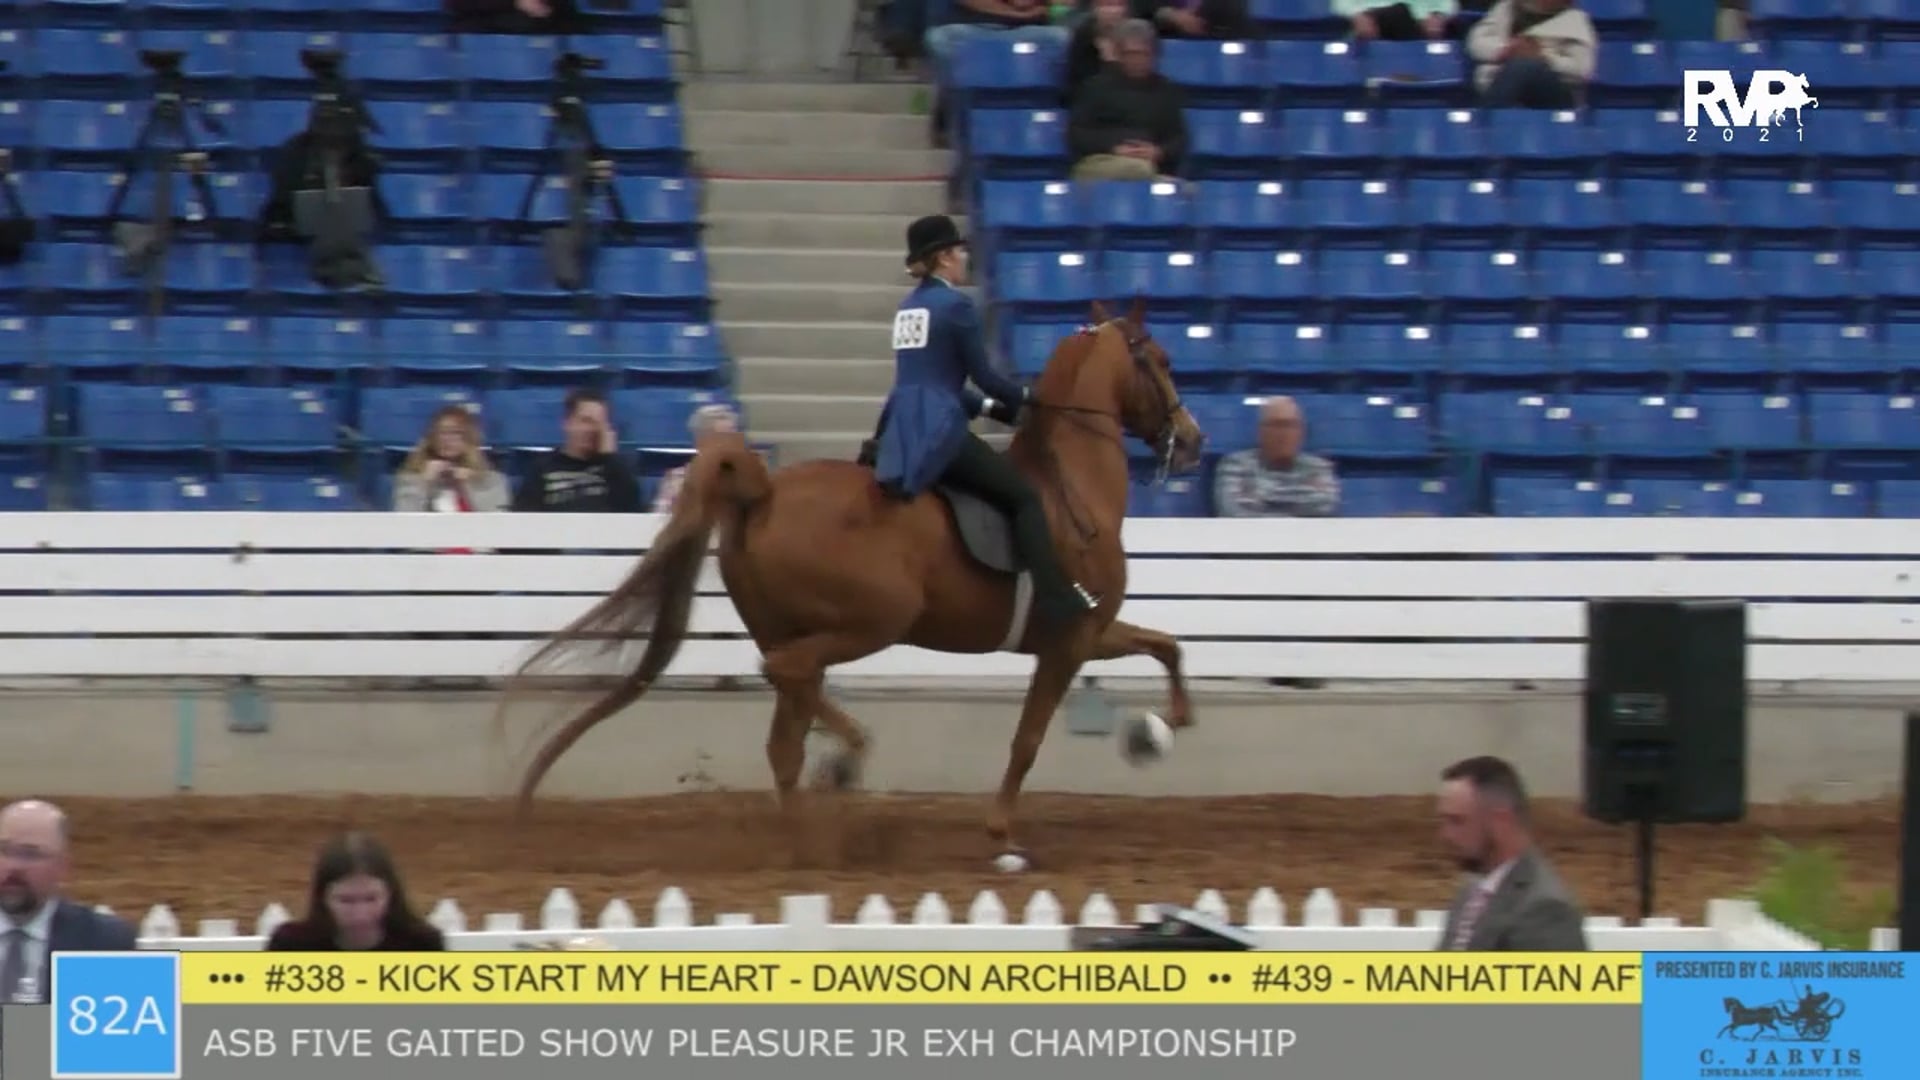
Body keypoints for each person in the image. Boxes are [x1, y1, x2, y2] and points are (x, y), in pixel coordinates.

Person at [865, 213, 1101, 629]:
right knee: (1024, 496)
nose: (963, 258)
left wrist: (993, 409)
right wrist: (1032, 397)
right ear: (942, 258)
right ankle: (1055, 595)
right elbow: (984, 376)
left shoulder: (909, 308)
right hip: (939, 428)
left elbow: (933, 379)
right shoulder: (956, 305)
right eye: (958, 251)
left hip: (900, 424)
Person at [1433, 755, 1589, 951]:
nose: (1446, 835)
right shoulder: (1472, 891)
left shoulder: (1544, 910)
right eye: (1444, 821)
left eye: (1458, 821)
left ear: (1501, 820)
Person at [0, 799, 136, 1003]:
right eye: (4, 851)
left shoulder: (105, 942)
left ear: (62, 866)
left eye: (31, 854)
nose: (14, 866)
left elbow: (124, 1032)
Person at [266, 832, 446, 952]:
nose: (360, 915)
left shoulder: (422, 944)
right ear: (323, 898)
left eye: (371, 899)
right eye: (346, 901)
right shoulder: (290, 946)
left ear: (391, 894)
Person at [510, 388, 644, 513]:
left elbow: (633, 512)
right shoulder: (542, 469)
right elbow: (524, 519)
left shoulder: (616, 469)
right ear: (567, 422)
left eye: (599, 423)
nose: (592, 429)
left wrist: (609, 458)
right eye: (586, 421)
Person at [392, 404, 510, 514]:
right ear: (432, 437)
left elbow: (496, 522)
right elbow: (404, 519)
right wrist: (424, 483)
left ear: (469, 438)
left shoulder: (491, 480)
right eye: (442, 432)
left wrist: (468, 486)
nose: (447, 439)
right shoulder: (410, 479)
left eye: (456, 433)